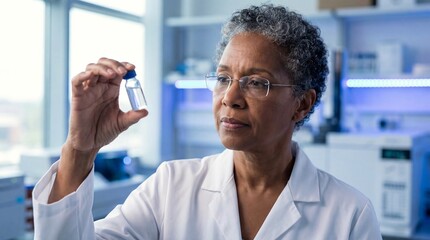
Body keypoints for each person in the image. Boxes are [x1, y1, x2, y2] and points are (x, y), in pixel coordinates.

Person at [32, 4, 382, 240]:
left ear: (301, 105)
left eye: (257, 82)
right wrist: (80, 148)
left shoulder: (349, 214)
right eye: (223, 78)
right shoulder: (170, 186)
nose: (230, 97)